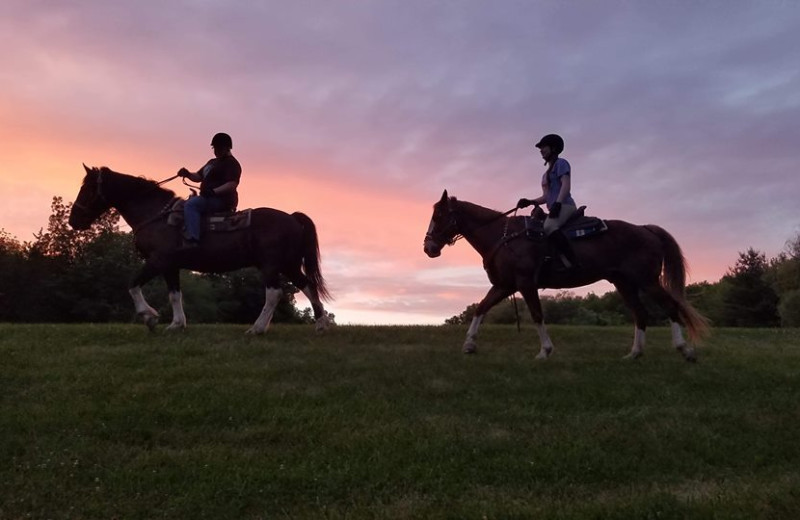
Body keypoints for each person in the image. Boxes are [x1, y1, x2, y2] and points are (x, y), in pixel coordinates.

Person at [517, 133, 580, 269]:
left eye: (544, 147)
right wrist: (530, 201)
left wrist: (558, 203)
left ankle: (572, 261)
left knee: (549, 227)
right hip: (555, 207)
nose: (541, 150)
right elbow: (546, 197)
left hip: (565, 205)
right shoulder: (545, 175)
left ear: (554, 148)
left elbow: (566, 185)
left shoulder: (561, 164)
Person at [177, 132, 242, 248]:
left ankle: (192, 239)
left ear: (227, 148)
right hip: (208, 197)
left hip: (221, 201)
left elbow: (232, 184)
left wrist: (213, 192)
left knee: (191, 205)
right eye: (214, 148)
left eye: (218, 148)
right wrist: (187, 174)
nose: (215, 151)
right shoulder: (212, 162)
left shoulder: (231, 163)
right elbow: (198, 176)